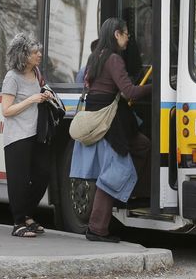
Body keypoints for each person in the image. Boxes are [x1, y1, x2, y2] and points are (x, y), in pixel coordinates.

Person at [69, 17, 151, 243]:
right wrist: (158, 85)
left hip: (99, 120)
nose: (128, 38)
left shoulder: (95, 56)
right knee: (113, 174)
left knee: (142, 145)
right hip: (111, 125)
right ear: (117, 34)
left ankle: (125, 191)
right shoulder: (114, 59)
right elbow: (129, 92)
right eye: (126, 34)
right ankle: (97, 229)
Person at [1, 33, 53, 238]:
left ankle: (28, 215)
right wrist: (31, 99)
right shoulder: (11, 77)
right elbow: (6, 110)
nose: (39, 54)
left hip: (36, 134)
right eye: (34, 52)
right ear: (23, 55)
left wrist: (45, 95)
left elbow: (39, 95)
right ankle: (18, 222)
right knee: (19, 180)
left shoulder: (37, 73)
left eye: (38, 51)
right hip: (17, 136)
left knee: (42, 175)